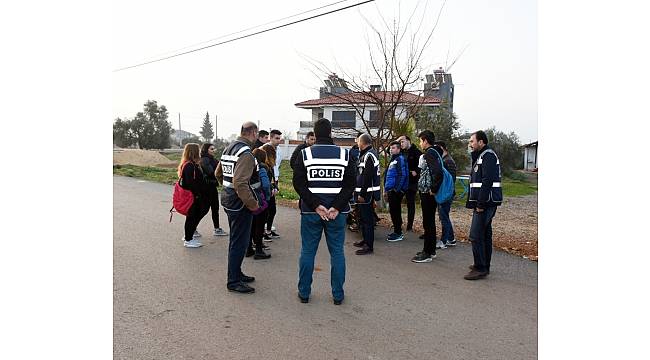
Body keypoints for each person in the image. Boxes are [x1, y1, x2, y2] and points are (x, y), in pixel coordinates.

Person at [292, 118, 356, 305]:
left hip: (311, 212)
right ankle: (338, 295)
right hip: (337, 214)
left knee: (308, 252)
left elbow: (299, 184)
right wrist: (336, 206)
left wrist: (315, 205)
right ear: (331, 133)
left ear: (315, 133)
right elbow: (350, 184)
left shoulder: (304, 155)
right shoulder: (346, 155)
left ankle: (304, 293)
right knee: (337, 252)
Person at [215, 121, 261, 294]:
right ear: (253, 133)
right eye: (256, 134)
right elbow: (240, 183)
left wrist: (226, 189)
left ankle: (237, 272)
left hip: (228, 200)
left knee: (237, 239)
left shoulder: (229, 148)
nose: (257, 137)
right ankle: (233, 281)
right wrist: (254, 205)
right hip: (240, 203)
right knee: (239, 242)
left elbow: (218, 173)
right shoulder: (246, 153)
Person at [464, 130, 502, 280]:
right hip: (483, 202)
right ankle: (483, 265)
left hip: (486, 203)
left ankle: (480, 268)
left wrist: (480, 203)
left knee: (476, 235)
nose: (470, 144)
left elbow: (487, 181)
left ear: (481, 142)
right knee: (485, 234)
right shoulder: (481, 156)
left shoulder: (488, 156)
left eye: (472, 141)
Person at [411, 130, 444, 263]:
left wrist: (433, 189)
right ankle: (431, 250)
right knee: (430, 222)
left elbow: (438, 172)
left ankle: (427, 253)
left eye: (420, 140)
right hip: (428, 192)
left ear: (425, 141)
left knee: (428, 223)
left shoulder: (430, 153)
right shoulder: (436, 152)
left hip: (428, 193)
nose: (420, 143)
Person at [353, 133, 381, 255]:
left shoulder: (369, 155)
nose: (357, 143)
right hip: (364, 193)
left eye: (358, 141)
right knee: (363, 219)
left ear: (363, 142)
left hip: (367, 194)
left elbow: (367, 176)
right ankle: (365, 240)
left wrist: (362, 194)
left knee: (368, 220)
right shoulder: (366, 154)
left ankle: (369, 246)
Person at [178, 143, 207, 248]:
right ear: (194, 152)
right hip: (193, 197)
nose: (199, 152)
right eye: (198, 150)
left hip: (193, 196)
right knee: (191, 217)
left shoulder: (188, 164)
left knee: (192, 217)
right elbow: (191, 183)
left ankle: (188, 236)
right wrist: (198, 196)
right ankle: (188, 239)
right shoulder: (189, 166)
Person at [246, 148, 272, 260]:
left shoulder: (248, 166)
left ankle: (248, 249)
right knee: (260, 226)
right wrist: (268, 196)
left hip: (249, 198)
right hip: (260, 199)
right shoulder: (262, 167)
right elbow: (266, 185)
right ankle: (259, 250)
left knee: (251, 225)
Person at [199, 143, 228, 237]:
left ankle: (217, 229)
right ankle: (192, 227)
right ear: (206, 150)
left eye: (214, 149)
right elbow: (211, 172)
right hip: (206, 188)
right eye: (211, 149)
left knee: (215, 208)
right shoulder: (204, 160)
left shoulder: (212, 159)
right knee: (204, 209)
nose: (214, 150)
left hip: (212, 186)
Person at [383, 140, 409, 242]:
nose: (391, 149)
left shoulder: (400, 159)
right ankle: (396, 231)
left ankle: (398, 233)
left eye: (393, 148)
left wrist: (397, 189)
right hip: (390, 189)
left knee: (396, 212)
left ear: (398, 149)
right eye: (390, 148)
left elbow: (402, 174)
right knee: (393, 211)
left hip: (396, 191)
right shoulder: (393, 159)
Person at [433, 141, 457, 248]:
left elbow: (450, 181)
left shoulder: (448, 161)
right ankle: (451, 238)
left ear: (442, 148)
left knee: (444, 217)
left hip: (446, 194)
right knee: (444, 216)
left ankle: (444, 240)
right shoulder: (444, 160)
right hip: (444, 193)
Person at [398, 135, 422, 232]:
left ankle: (409, 226)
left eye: (402, 141)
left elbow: (423, 163)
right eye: (400, 142)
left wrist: (416, 171)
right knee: (396, 202)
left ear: (408, 141)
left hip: (411, 182)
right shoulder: (401, 152)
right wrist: (398, 139)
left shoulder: (416, 152)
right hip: (401, 181)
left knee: (410, 204)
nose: (401, 144)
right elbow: (389, 150)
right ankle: (398, 224)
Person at [264, 129, 283, 238]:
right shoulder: (264, 149)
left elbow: (277, 166)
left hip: (274, 179)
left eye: (279, 138)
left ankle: (268, 230)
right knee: (267, 208)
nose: (278, 140)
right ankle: (264, 232)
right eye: (276, 138)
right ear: (270, 138)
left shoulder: (279, 150)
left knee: (272, 209)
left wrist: (276, 181)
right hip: (267, 179)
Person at [260, 143, 280, 241]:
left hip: (269, 191)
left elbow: (272, 178)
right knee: (266, 212)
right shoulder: (264, 165)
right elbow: (266, 181)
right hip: (265, 193)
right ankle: (263, 233)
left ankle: (267, 231)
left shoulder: (270, 165)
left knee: (272, 211)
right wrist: (271, 188)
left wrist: (275, 186)